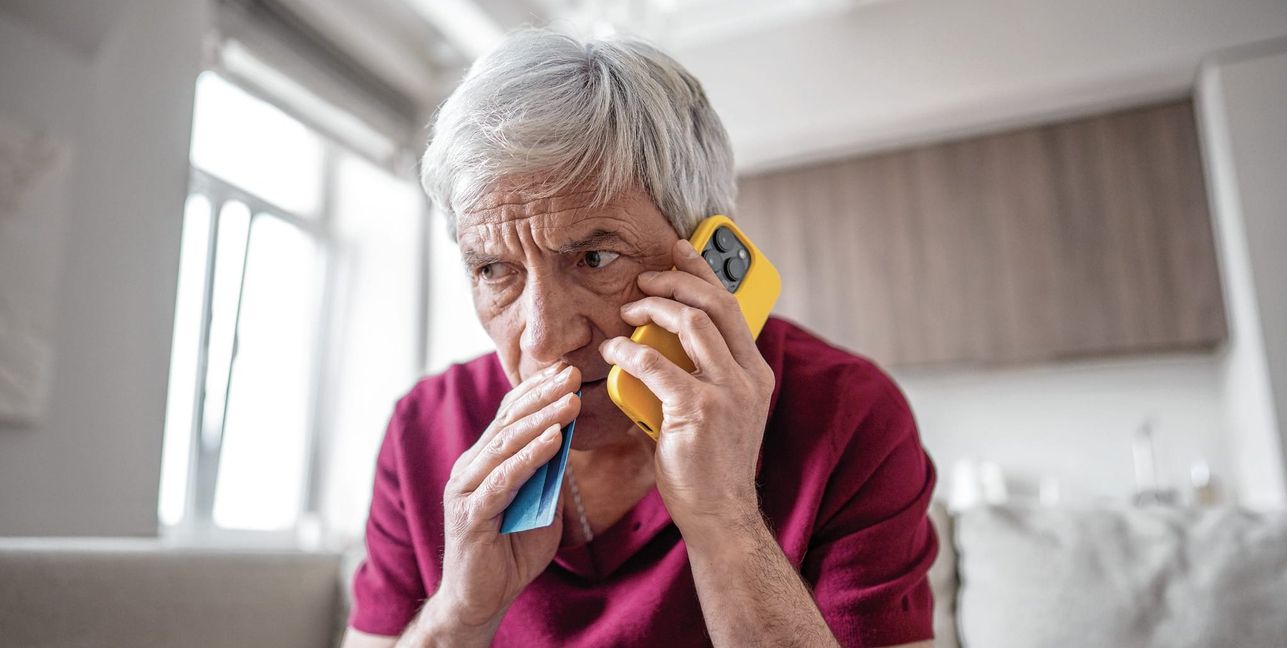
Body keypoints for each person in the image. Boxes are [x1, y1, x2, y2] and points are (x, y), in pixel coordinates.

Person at [342, 27, 937, 648]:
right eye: (495, 270)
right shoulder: (423, 429)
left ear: (705, 255)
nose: (546, 339)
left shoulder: (848, 412)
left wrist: (726, 524)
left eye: (596, 258)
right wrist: (459, 615)